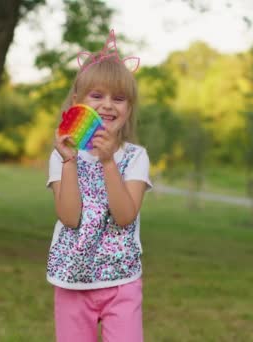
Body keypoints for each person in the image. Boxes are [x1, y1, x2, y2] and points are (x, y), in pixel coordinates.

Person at [45, 29, 151, 342]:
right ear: (77, 102)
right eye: (97, 96)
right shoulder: (63, 155)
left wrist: (108, 163)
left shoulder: (136, 157)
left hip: (121, 281)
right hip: (72, 280)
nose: (107, 105)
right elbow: (69, 218)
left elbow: (124, 216)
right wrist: (69, 162)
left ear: (128, 109)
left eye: (119, 99)